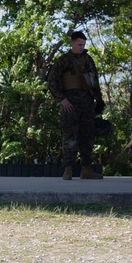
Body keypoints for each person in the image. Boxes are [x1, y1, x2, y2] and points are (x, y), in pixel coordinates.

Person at [46, 31, 105, 180]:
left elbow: (94, 80)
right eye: (79, 44)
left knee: (87, 135)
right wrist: (62, 99)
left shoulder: (88, 60)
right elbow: (52, 81)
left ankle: (86, 169)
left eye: (83, 45)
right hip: (70, 102)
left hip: (87, 101)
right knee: (70, 135)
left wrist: (99, 100)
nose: (81, 47)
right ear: (72, 43)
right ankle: (68, 169)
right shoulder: (63, 60)